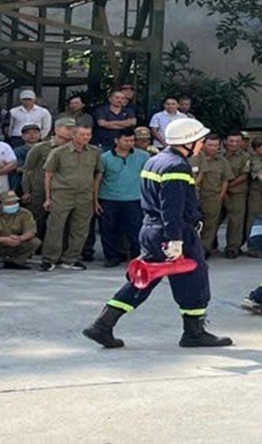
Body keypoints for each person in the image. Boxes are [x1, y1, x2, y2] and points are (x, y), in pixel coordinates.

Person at [82, 118, 232, 349]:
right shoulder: (176, 167)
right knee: (195, 280)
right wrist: (175, 240)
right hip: (173, 232)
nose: (202, 144)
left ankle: (103, 324)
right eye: (200, 140)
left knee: (144, 279)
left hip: (151, 229)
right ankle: (194, 332)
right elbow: (171, 207)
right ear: (188, 142)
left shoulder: (156, 161)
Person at [40, 126, 102, 271]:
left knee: (80, 228)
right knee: (55, 227)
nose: (86, 137)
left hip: (84, 195)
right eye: (82, 134)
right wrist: (48, 198)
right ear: (73, 135)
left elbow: (98, 173)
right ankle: (50, 259)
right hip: (62, 194)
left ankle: (71, 259)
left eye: (88, 134)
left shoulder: (94, 152)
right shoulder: (59, 152)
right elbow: (48, 175)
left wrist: (95, 198)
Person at [93, 128, 149, 267]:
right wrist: (95, 201)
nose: (129, 143)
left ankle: (138, 257)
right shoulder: (105, 157)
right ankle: (111, 257)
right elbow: (97, 179)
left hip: (134, 199)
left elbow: (147, 178)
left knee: (136, 230)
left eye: (132, 140)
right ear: (117, 141)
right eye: (126, 140)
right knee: (108, 230)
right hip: (109, 198)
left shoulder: (143, 156)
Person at [21, 117, 75, 238]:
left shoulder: (75, 148)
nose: (71, 131)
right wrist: (26, 191)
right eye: (67, 128)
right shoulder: (40, 148)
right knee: (36, 219)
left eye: (73, 128)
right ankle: (33, 246)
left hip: (63, 189)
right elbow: (28, 169)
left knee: (61, 222)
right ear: (56, 129)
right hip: (39, 188)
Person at [192, 134, 233, 256]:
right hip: (196, 196)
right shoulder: (196, 157)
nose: (213, 148)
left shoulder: (222, 161)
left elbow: (225, 180)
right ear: (204, 145)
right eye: (210, 145)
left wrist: (221, 195)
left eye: (215, 145)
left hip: (213, 197)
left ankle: (204, 249)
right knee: (193, 224)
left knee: (210, 225)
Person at [0, 191, 39, 269]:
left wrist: (20, 238)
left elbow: (31, 231)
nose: (13, 205)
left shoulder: (25, 213)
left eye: (15, 202)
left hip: (15, 244)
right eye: (9, 203)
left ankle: (16, 262)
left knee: (35, 242)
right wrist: (4, 239)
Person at [221, 132, 251, 257]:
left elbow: (245, 175)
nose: (234, 144)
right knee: (212, 219)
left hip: (237, 192)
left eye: (237, 141)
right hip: (216, 192)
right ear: (225, 141)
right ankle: (207, 245)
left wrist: (228, 186)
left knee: (236, 221)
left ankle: (233, 248)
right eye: (231, 141)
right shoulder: (218, 155)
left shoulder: (245, 157)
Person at [0, 127, 18, 208]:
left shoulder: (3, 146)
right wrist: (0, 164)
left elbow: (13, 164)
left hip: (2, 192)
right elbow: (6, 163)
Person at [10, 124, 40, 195]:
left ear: (40, 134)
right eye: (28, 133)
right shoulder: (17, 151)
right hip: (21, 184)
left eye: (35, 132)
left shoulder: (46, 149)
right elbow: (18, 168)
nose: (32, 135)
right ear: (22, 136)